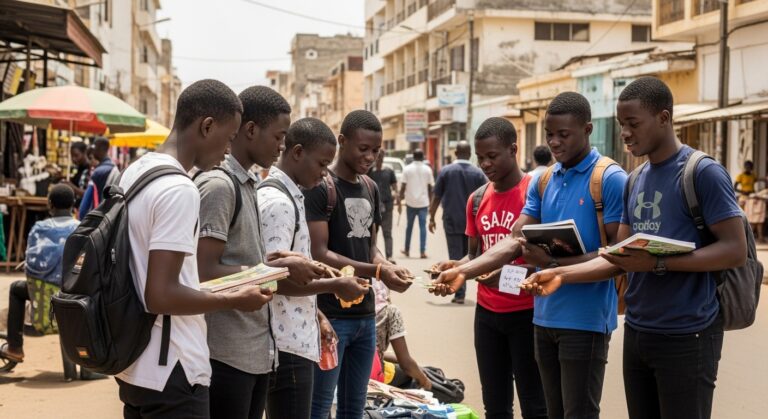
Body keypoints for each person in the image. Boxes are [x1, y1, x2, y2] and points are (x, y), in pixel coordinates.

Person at [524, 77, 747, 419]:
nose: (625, 133)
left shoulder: (702, 172)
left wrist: (659, 264)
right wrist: (559, 273)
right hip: (639, 330)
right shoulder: (636, 179)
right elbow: (620, 257)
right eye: (621, 124)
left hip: (689, 332)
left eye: (633, 124)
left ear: (664, 118)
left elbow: (734, 250)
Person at [433, 92, 627, 419]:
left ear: (587, 129)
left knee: (577, 413)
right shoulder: (545, 179)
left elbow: (617, 257)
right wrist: (464, 272)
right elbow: (514, 240)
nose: (554, 142)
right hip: (543, 317)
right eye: (549, 134)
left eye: (563, 134)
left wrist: (552, 265)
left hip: (586, 319)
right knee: (548, 412)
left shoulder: (608, 179)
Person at [113, 79, 273, 419]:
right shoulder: (178, 189)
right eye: (229, 138)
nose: (229, 150)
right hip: (174, 367)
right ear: (207, 126)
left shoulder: (136, 172)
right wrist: (236, 298)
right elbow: (161, 294)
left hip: (136, 364)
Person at [194, 86, 326, 419]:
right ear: (250, 130)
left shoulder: (249, 184)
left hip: (255, 351)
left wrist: (279, 264)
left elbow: (243, 263)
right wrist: (275, 272)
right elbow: (204, 272)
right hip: (225, 354)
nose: (281, 146)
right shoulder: (220, 186)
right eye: (279, 137)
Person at [431, 118, 547, 419]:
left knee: (535, 405)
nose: (484, 164)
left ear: (513, 149)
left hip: (528, 315)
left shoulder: (534, 195)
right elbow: (475, 256)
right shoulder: (477, 199)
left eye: (492, 156)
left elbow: (546, 262)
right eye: (479, 157)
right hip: (487, 316)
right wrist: (454, 266)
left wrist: (500, 278)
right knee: (495, 405)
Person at [305, 110, 413, 419]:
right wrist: (378, 271)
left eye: (376, 150)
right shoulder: (321, 187)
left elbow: (370, 248)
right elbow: (320, 252)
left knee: (354, 408)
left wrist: (387, 266)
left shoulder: (370, 186)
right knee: (320, 407)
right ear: (342, 142)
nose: (369, 156)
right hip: (332, 317)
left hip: (366, 317)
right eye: (362, 148)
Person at [258, 117, 369, 419]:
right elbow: (270, 280)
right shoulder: (278, 202)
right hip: (286, 344)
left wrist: (316, 314)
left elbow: (293, 270)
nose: (324, 174)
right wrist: (335, 286)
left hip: (296, 335)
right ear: (296, 152)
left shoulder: (291, 196)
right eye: (321, 164)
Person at [1, 185, 80, 365]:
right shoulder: (81, 228)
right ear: (73, 205)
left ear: (50, 205)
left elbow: (30, 265)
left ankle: (15, 347)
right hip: (74, 295)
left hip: (42, 295)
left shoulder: (39, 228)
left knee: (15, 289)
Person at [428, 141, 487, 304]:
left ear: (455, 153)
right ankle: (462, 290)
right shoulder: (478, 173)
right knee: (470, 255)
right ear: (470, 154)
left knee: (455, 256)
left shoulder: (446, 171)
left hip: (452, 220)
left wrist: (431, 217)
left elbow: (437, 196)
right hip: (474, 223)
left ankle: (459, 292)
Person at [371, 278, 431, 390]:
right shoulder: (390, 311)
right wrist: (425, 381)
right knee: (412, 376)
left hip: (341, 373)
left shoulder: (347, 306)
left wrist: (417, 366)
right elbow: (406, 364)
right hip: (371, 377)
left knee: (415, 369)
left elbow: (377, 353)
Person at [400, 149, 434, 259]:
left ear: (413, 157)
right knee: (422, 227)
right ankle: (422, 252)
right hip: (423, 203)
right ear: (423, 157)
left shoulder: (407, 169)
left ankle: (407, 249)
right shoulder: (427, 169)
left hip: (410, 202)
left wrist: (400, 198)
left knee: (409, 227)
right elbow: (430, 188)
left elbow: (403, 186)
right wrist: (431, 202)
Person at [369, 150, 399, 262]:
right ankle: (373, 257)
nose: (379, 158)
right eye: (377, 156)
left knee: (387, 232)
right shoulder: (370, 172)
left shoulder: (389, 171)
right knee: (373, 234)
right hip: (374, 208)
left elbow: (395, 187)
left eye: (381, 156)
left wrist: (398, 199)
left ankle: (389, 256)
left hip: (387, 206)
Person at [78, 137, 118, 218]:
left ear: (99, 148)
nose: (93, 151)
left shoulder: (98, 172)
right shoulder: (115, 168)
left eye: (94, 148)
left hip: (95, 219)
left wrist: (81, 220)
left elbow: (85, 205)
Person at [63, 142, 90, 207]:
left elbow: (88, 194)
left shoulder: (89, 170)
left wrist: (72, 186)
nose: (73, 159)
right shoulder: (79, 168)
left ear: (84, 153)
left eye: (76, 155)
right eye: (72, 156)